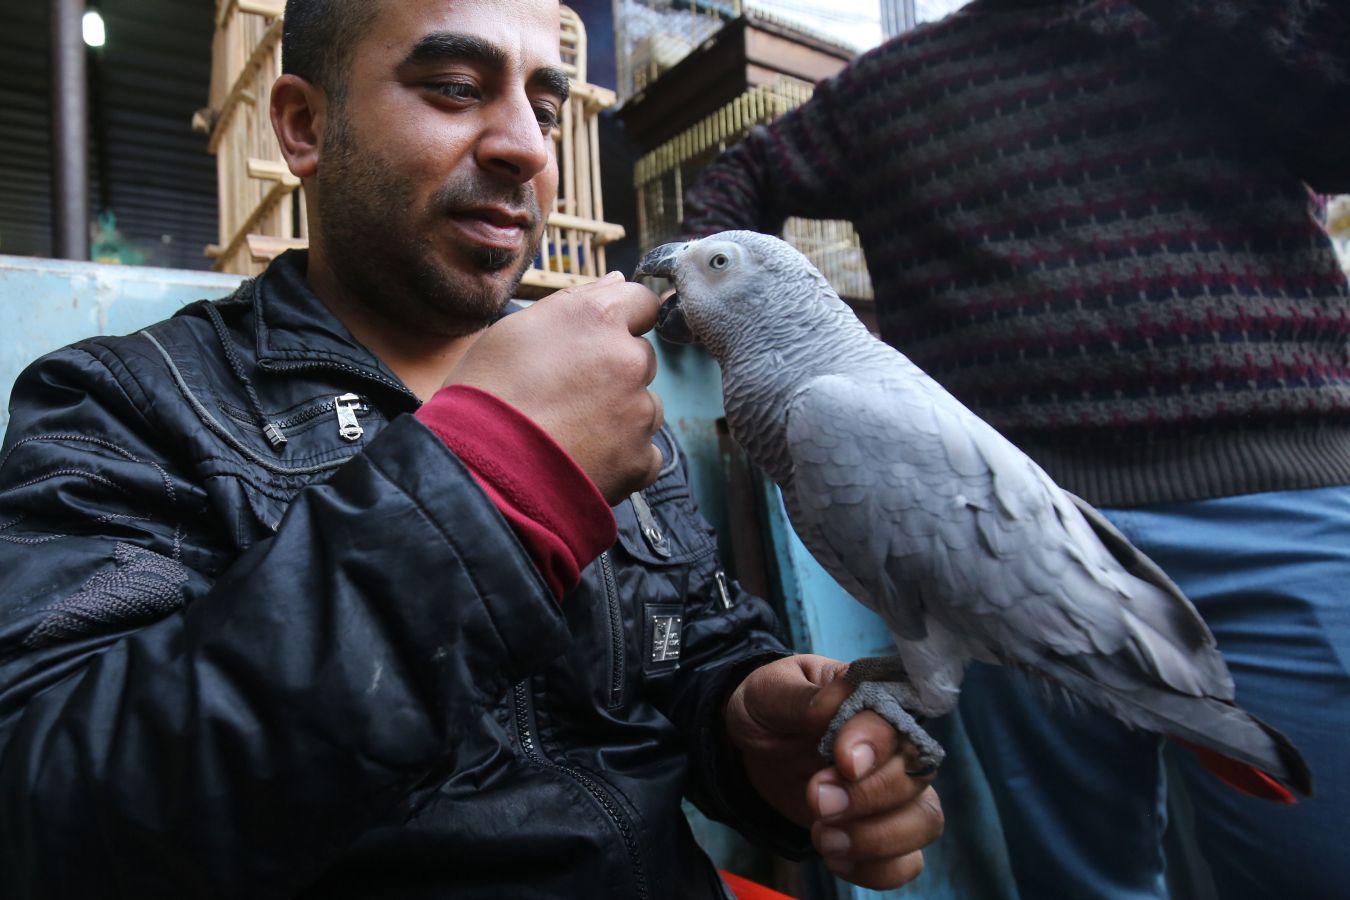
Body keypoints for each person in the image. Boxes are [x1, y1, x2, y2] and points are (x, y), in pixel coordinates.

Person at [0, 1, 944, 897]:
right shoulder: (125, 404)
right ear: (302, 127)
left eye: (545, 106)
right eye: (454, 86)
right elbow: (55, 818)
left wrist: (748, 733)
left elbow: (692, 656)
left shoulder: (611, 391)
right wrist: (491, 478)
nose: (528, 149)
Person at [679, 1, 1350, 897]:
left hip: (1276, 494)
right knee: (1075, 875)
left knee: (1313, 862)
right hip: (988, 512)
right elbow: (744, 176)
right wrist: (711, 291)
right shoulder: (885, 88)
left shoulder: (1220, 19)